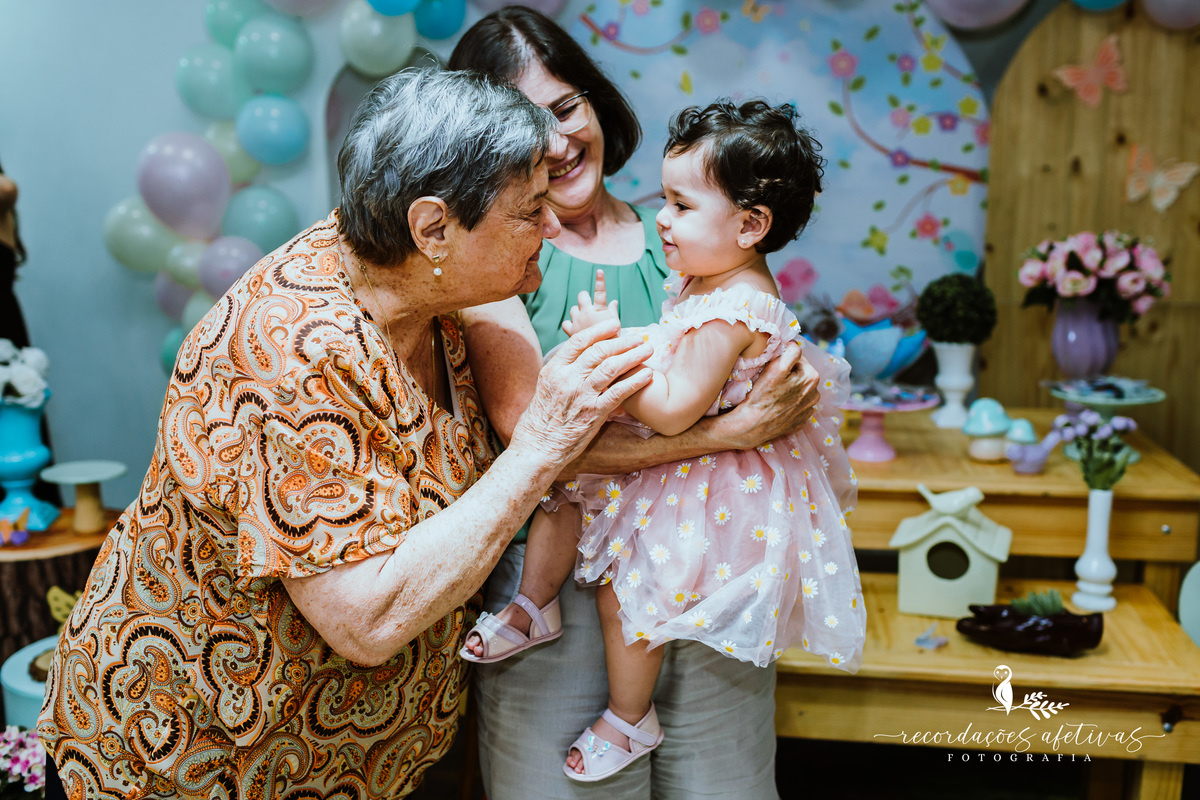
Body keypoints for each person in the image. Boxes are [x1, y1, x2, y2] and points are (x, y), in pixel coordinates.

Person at [36, 67, 656, 800]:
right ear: (432, 227)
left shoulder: (436, 288)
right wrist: (544, 445)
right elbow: (366, 619)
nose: (552, 229)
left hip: (346, 761)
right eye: (529, 212)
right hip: (197, 763)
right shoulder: (290, 350)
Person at [450, 10, 823, 799]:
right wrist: (736, 434)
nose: (556, 142)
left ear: (594, 104)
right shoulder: (498, 263)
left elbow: (767, 378)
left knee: (724, 785)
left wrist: (757, 422)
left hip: (710, 553)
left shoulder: (691, 238)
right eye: (523, 124)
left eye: (564, 109)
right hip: (555, 575)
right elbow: (535, 437)